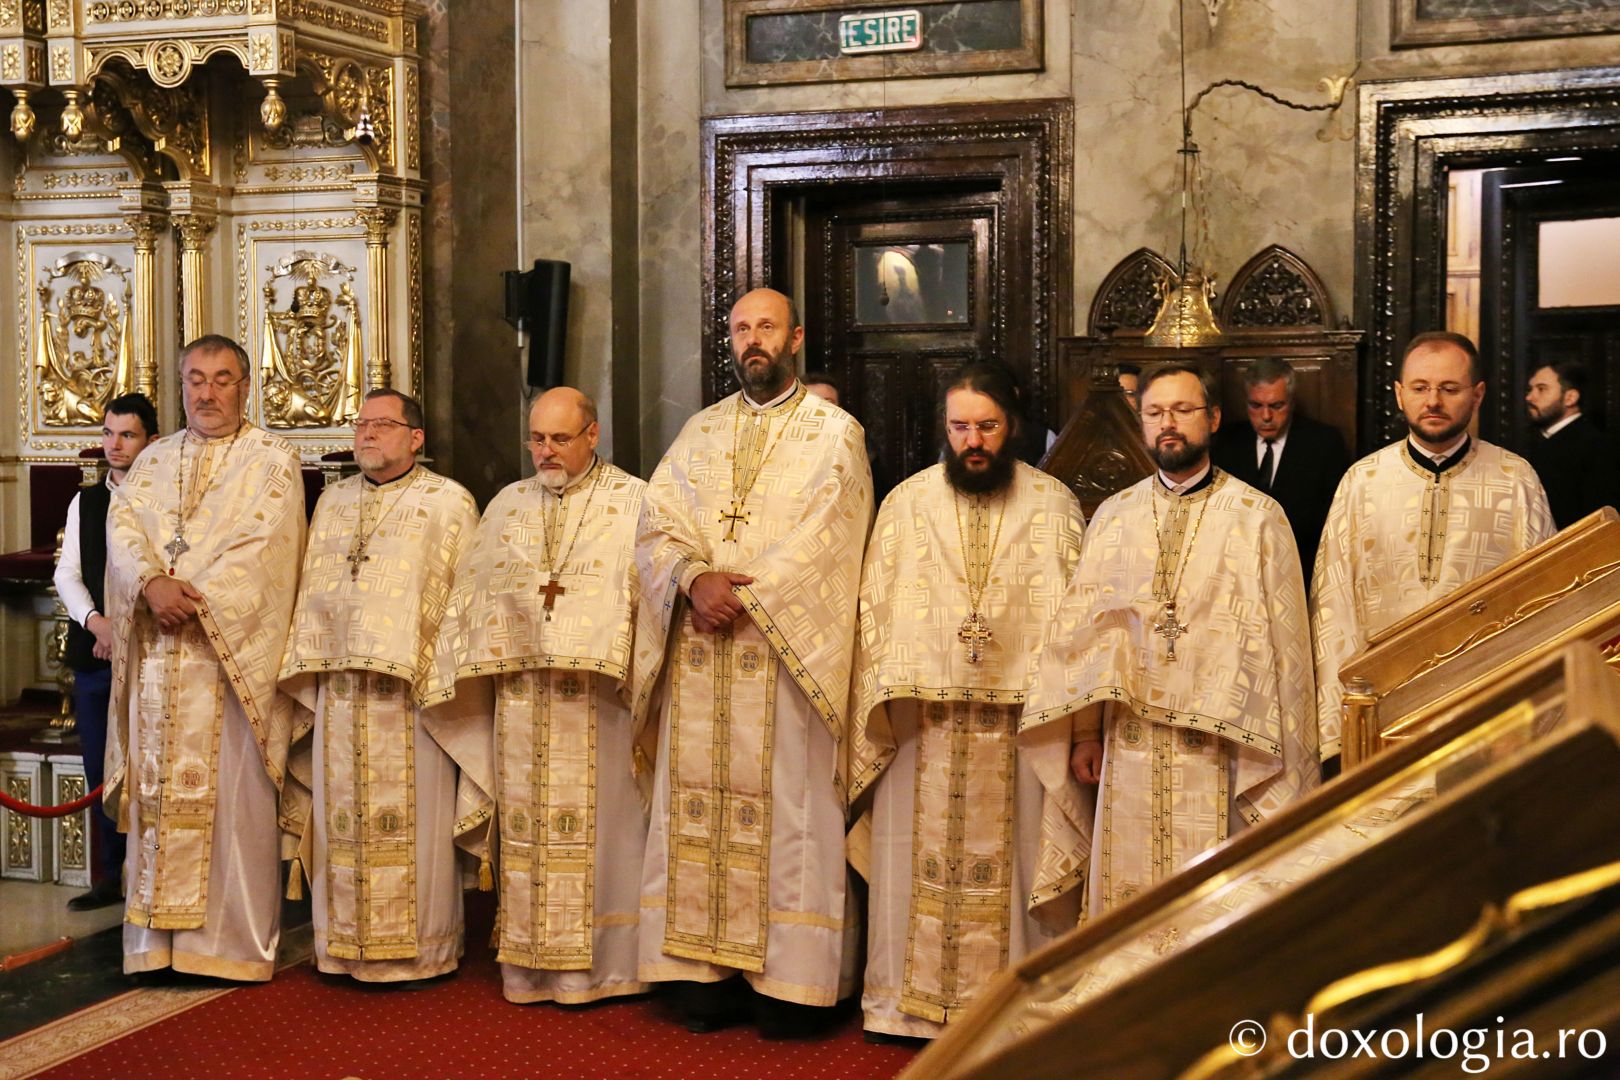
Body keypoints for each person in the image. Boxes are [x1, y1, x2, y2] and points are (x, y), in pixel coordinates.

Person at [632, 287, 873, 1035]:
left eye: (766, 326)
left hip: (784, 666)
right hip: (702, 663)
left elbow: (831, 540)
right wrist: (691, 579)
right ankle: (701, 977)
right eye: (740, 329)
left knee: (792, 819)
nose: (752, 340)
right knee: (698, 815)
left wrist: (744, 596)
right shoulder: (698, 433)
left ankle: (790, 988)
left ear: (795, 336)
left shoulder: (836, 434)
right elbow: (656, 522)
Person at [1023, 363, 1319, 925]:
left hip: (1219, 752)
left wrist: (1268, 755)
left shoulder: (1259, 518)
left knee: (1210, 904)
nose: (1169, 425)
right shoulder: (1114, 516)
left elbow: (1286, 657)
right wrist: (1085, 734)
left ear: (1211, 418)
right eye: (1155, 413)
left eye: (1182, 411)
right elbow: (1083, 635)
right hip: (1127, 746)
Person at [847, 363, 1085, 1038]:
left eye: (987, 427)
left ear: (1011, 427)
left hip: (1019, 733)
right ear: (942, 430)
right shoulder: (906, 505)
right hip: (924, 727)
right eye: (960, 428)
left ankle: (1014, 1011)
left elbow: (1072, 625)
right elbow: (877, 618)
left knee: (1014, 869)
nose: (973, 442)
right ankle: (903, 1010)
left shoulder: (1054, 505)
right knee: (911, 863)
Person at [421, 387, 649, 1005]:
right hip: (521, 701)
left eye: (559, 439)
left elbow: (645, 598)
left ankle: (607, 968)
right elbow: (473, 593)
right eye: (536, 439)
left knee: (606, 832)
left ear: (593, 436)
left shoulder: (632, 500)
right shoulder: (506, 505)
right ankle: (528, 966)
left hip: (598, 704)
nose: (545, 452)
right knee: (528, 828)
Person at [103, 335, 305, 980]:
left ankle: (230, 947)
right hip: (158, 665)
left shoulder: (271, 458)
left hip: (228, 668)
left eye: (222, 379)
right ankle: (154, 947)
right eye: (196, 379)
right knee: (159, 803)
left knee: (231, 810)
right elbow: (123, 526)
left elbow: (265, 549)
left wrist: (190, 597)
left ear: (245, 386)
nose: (208, 392)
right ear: (182, 386)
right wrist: (150, 585)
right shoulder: (154, 460)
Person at [278, 389, 488, 984]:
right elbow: (311, 597)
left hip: (412, 702)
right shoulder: (333, 502)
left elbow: (461, 602)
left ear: (415, 438)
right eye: (361, 424)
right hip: (341, 697)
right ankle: (342, 947)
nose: (367, 434)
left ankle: (424, 951)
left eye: (383, 425)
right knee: (341, 820)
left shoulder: (449, 502)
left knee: (413, 825)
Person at [1312, 331, 1554, 766]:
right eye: (1421, 388)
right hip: (1381, 710)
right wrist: (1338, 721)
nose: (1434, 401)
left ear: (1477, 395)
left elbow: (1543, 604)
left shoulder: (1515, 479)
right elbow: (1333, 606)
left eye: (1449, 388)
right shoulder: (1362, 482)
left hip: (1483, 709)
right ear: (1400, 394)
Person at [54, 392, 157, 911]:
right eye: (108, 434)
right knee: (101, 764)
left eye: (127, 435)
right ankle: (110, 873)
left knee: (152, 762)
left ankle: (155, 870)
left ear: (151, 441)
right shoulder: (87, 501)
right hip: (96, 654)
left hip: (155, 651)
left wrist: (131, 626)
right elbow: (67, 572)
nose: (114, 445)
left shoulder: (165, 498)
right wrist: (97, 622)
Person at [1212, 358, 1350, 592]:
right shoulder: (1224, 443)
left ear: (1292, 402)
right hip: (1235, 577)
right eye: (1256, 405)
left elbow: (1335, 522)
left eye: (1276, 406)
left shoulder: (1324, 443)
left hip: (1301, 575)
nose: (1266, 416)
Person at [1522, 360, 1620, 530]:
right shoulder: (1543, 440)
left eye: (1541, 389)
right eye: (1531, 389)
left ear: (1570, 397)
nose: (1530, 397)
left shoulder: (1595, 446)